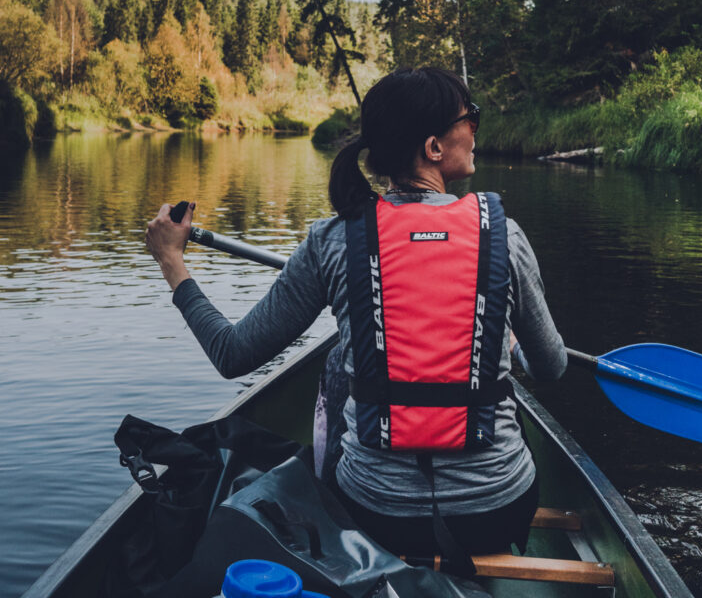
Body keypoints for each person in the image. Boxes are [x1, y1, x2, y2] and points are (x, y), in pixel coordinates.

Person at [146, 66, 566, 564]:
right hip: (497, 509)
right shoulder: (506, 237)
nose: (476, 129)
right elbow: (551, 368)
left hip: (376, 513)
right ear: (433, 147)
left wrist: (172, 261)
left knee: (346, 352)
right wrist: (507, 341)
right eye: (469, 118)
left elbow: (233, 354)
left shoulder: (333, 239)